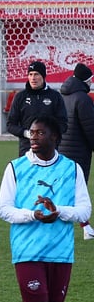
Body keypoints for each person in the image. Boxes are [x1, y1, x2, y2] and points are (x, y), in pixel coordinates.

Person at [0, 116, 91, 302]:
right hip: (28, 252)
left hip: (61, 253)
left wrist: (59, 211)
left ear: (55, 137)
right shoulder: (16, 167)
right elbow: (3, 209)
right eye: (32, 133)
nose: (33, 137)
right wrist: (33, 215)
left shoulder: (72, 168)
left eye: (40, 133)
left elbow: (85, 208)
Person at [56, 63, 94, 239]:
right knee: (79, 190)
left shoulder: (62, 96)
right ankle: (85, 227)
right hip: (79, 151)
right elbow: (90, 128)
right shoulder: (83, 99)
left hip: (62, 149)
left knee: (64, 189)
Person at [7, 61, 68, 158]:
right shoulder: (20, 97)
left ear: (43, 76)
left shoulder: (55, 96)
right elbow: (10, 125)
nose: (33, 78)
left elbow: (63, 124)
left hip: (49, 150)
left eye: (36, 74)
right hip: (26, 149)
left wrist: (48, 135)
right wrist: (26, 133)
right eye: (30, 74)